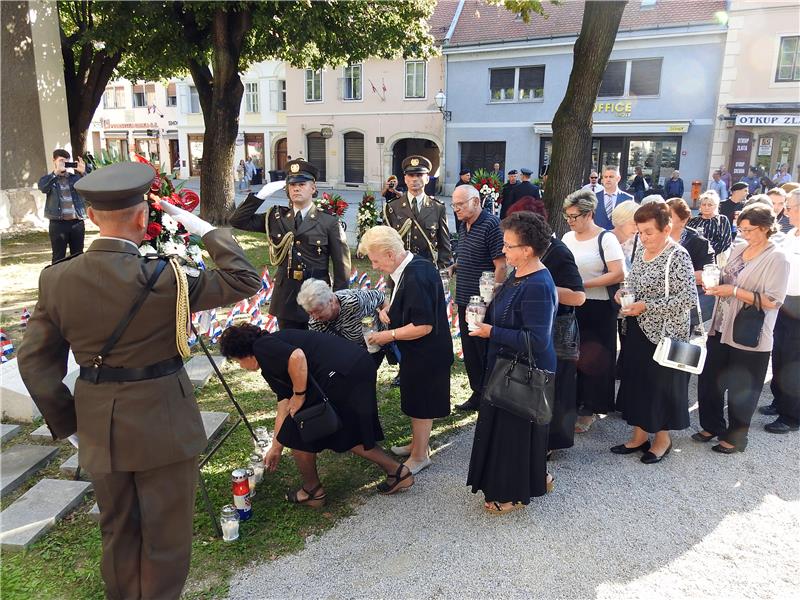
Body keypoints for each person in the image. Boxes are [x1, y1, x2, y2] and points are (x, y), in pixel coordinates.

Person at [18, 162, 261, 600]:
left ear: (91, 218)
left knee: (117, 531)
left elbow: (34, 362)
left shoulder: (55, 279)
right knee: (166, 538)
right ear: (144, 218)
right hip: (163, 419)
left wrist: (70, 424)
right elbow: (245, 277)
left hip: (97, 423)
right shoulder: (166, 277)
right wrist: (197, 223)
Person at [220, 324, 415, 504]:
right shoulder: (271, 353)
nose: (240, 366)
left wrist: (299, 394)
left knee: (299, 432)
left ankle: (312, 491)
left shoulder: (263, 347)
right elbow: (284, 406)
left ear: (244, 354)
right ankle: (397, 472)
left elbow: (297, 357)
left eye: (238, 361)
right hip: (355, 365)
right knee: (343, 430)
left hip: (342, 372)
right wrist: (276, 447)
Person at [466, 211, 557, 513]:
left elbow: (536, 340)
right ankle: (536, 478)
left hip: (522, 372)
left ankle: (513, 493)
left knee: (514, 437)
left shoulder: (538, 285)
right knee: (506, 433)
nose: (503, 250)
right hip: (505, 364)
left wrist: (491, 331)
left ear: (527, 250)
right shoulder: (519, 273)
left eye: (508, 245)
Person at [359, 226, 453, 474]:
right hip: (420, 352)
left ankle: (420, 456)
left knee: (421, 403)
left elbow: (422, 326)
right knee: (415, 400)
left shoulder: (416, 275)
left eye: (376, 260)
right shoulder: (410, 267)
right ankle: (417, 444)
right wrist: (391, 308)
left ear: (390, 254)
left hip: (427, 352)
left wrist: (386, 335)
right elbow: (408, 300)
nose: (375, 266)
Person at [696, 204, 790, 453]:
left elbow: (773, 301)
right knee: (709, 380)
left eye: (749, 230)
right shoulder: (739, 247)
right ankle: (712, 425)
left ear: (766, 228)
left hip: (750, 333)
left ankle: (736, 438)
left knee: (742, 387)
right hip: (721, 325)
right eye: (741, 229)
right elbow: (728, 277)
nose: (744, 234)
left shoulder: (777, 257)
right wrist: (716, 283)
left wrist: (734, 291)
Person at [612, 202, 697, 462]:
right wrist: (623, 295)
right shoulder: (641, 250)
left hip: (666, 335)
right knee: (637, 383)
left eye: (649, 232)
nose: (643, 237)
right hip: (638, 329)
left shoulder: (678, 255)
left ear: (667, 228)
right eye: (640, 232)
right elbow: (634, 283)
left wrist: (647, 306)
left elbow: (689, 298)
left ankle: (662, 440)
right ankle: (639, 436)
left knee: (660, 388)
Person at [230, 159, 350, 330]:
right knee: (289, 347)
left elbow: (342, 266)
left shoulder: (328, 222)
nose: (296, 188)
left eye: (302, 184)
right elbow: (237, 221)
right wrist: (260, 196)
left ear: (313, 188)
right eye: (292, 184)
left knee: (315, 349)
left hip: (316, 293)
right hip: (286, 294)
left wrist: (339, 300)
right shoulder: (276, 217)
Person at [508, 198, 586, 454]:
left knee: (553, 387)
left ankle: (549, 443)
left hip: (556, 329)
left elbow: (578, 296)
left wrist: (541, 286)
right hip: (537, 325)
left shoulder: (559, 252)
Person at [562, 189, 625, 432]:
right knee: (573, 356)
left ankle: (590, 408)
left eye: (574, 216)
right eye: (567, 216)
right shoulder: (567, 238)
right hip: (572, 304)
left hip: (598, 307)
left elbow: (618, 273)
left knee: (594, 359)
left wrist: (583, 284)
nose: (570, 220)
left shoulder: (605, 238)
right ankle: (573, 402)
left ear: (589, 214)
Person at [450, 185, 506, 412]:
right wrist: (456, 265)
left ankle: (490, 397)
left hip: (482, 303)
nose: (456, 209)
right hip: (464, 299)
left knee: (484, 351)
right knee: (470, 352)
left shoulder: (491, 225)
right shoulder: (465, 225)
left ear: (475, 201)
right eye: (454, 205)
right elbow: (472, 255)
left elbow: (501, 265)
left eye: (460, 205)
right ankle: (477, 393)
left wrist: (490, 298)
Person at [761, 189, 800, 433]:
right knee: (779, 354)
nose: (786, 211)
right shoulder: (790, 234)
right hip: (784, 302)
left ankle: (792, 415)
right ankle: (779, 400)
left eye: (791, 206)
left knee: (794, 360)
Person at [382, 155, 452, 269]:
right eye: (411, 175)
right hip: (400, 269)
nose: (414, 179)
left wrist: (441, 271)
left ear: (427, 179)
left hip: (427, 269)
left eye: (419, 175)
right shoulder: (392, 206)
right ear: (405, 179)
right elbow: (386, 243)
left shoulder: (438, 207)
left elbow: (444, 246)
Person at [296, 278, 389, 362]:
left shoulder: (354, 302)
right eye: (310, 313)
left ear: (331, 301)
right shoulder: (314, 323)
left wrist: (384, 312)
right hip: (350, 355)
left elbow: (381, 298)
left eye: (318, 311)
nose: (315, 317)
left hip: (376, 346)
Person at [667, 198, 715, 321]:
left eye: (668, 217)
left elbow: (706, 274)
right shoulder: (655, 237)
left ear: (683, 220)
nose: (663, 220)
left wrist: (669, 277)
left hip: (683, 304)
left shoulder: (698, 242)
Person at [38, 149, 87, 264]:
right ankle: (57, 280)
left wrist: (83, 173)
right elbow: (43, 188)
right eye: (61, 161)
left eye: (66, 161)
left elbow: (89, 189)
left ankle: (77, 280)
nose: (64, 164)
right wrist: (55, 173)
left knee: (78, 256)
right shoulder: (49, 179)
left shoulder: (75, 178)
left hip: (77, 222)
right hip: (58, 223)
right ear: (54, 161)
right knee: (58, 257)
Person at [687, 191, 732, 260]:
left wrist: (706, 251)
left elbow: (725, 241)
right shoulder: (694, 221)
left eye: (710, 205)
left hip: (713, 257)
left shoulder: (722, 220)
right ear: (700, 206)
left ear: (716, 206)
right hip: (693, 257)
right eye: (704, 205)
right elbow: (687, 238)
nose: (706, 207)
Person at [594, 166, 635, 230]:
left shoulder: (628, 199)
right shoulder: (594, 197)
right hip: (597, 237)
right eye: (605, 177)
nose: (608, 179)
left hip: (619, 238)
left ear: (618, 178)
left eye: (611, 177)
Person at [611, 200, 639, 268]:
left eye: (639, 224)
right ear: (621, 220)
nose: (637, 228)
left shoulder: (640, 243)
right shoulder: (603, 239)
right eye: (634, 224)